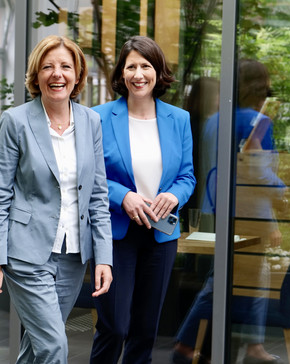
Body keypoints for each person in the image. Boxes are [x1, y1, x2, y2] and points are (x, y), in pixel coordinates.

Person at [0, 35, 113, 364]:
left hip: (72, 256)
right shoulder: (16, 121)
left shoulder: (90, 121)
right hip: (26, 253)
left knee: (37, 347)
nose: (57, 74)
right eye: (47, 66)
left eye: (66, 66)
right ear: (36, 75)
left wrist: (104, 257)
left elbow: (97, 194)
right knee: (55, 346)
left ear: (78, 75)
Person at [90, 35, 196, 364]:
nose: (139, 74)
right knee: (115, 326)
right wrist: (123, 196)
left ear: (158, 72)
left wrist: (173, 195)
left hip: (161, 235)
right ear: (121, 73)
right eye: (131, 66)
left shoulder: (178, 119)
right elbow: (87, 178)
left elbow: (188, 176)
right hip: (116, 234)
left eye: (146, 66)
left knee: (146, 329)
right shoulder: (98, 117)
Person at [172, 59, 286, 364]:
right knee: (233, 281)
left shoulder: (213, 120)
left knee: (223, 279)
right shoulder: (258, 120)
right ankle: (191, 343)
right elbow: (256, 170)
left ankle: (236, 346)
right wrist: (282, 192)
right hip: (249, 214)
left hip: (214, 209)